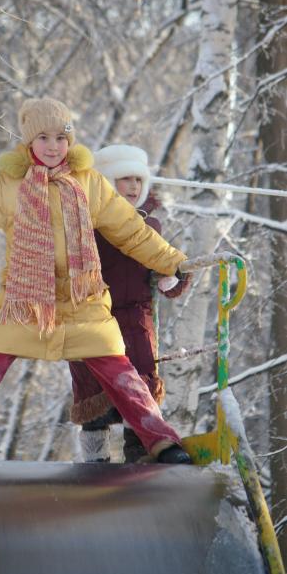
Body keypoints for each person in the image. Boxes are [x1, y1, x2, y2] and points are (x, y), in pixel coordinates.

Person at [0, 97, 191, 465]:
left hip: (84, 300)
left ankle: (162, 441)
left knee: (121, 370)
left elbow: (132, 232)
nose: (53, 146)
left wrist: (172, 261)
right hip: (27, 301)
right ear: (28, 142)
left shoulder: (90, 184)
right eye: (43, 138)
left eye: (61, 137)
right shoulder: (10, 185)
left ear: (71, 140)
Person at [69, 145, 191, 463]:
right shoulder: (87, 228)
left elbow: (164, 267)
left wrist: (171, 277)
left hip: (136, 319)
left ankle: (140, 454)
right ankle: (94, 462)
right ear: (108, 182)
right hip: (93, 317)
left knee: (139, 386)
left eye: (139, 179)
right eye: (125, 179)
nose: (134, 187)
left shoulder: (150, 228)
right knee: (93, 391)